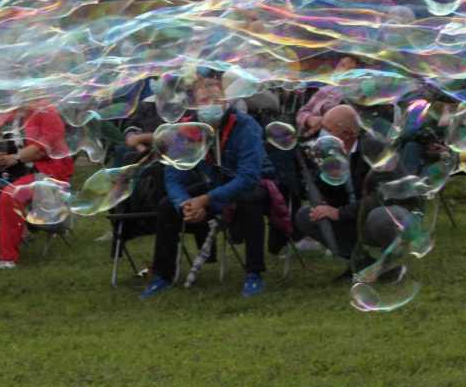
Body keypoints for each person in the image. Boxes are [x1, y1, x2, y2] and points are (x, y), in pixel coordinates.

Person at [141, 76, 277, 298]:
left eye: (217, 99)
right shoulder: (187, 130)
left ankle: (254, 273)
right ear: (194, 105)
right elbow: (174, 177)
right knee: (167, 205)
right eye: (205, 100)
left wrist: (205, 200)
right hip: (218, 184)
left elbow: (248, 177)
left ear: (226, 101)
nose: (212, 105)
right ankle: (162, 276)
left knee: (249, 199)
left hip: (257, 185)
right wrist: (185, 204)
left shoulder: (245, 126)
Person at [0, 102, 74, 270]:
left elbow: (44, 148)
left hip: (42, 171)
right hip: (6, 172)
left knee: (10, 195)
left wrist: (14, 158)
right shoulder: (7, 114)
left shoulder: (48, 113)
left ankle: (7, 257)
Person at [293, 105, 371, 264]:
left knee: (380, 218)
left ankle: (389, 259)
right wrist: (322, 204)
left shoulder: (372, 150)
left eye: (328, 130)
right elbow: (328, 195)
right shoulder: (333, 152)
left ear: (347, 134)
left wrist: (339, 213)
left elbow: (379, 198)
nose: (322, 135)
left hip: (377, 215)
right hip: (351, 215)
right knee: (305, 215)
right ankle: (361, 262)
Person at [295, 55, 359, 137]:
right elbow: (302, 112)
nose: (344, 69)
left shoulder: (359, 93)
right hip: (314, 138)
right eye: (342, 65)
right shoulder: (325, 90)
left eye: (350, 68)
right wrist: (310, 119)